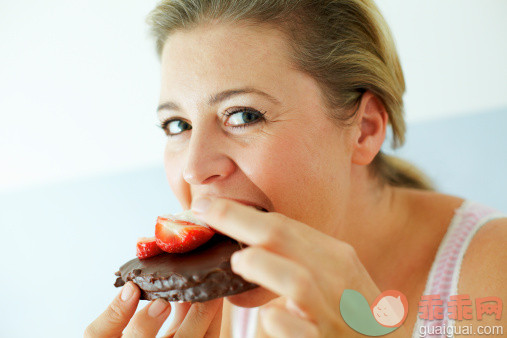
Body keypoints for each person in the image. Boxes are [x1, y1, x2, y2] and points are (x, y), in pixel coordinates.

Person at [85, 0, 507, 337]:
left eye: (244, 115)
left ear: (364, 129)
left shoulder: (495, 277)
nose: (194, 169)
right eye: (177, 125)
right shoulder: (219, 304)